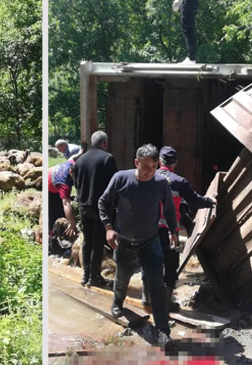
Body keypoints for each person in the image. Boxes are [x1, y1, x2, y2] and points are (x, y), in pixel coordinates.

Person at [98, 144, 177, 347]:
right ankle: (117, 302)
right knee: (122, 277)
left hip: (150, 241)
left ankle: (163, 331)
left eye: (153, 166)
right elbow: (103, 202)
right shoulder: (121, 179)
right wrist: (108, 227)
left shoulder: (160, 182)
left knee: (157, 285)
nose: (148, 171)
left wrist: (173, 230)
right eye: (144, 166)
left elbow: (168, 209)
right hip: (124, 241)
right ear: (136, 163)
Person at [143, 146, 216, 312]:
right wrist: (210, 201)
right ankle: (166, 304)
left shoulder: (148, 176)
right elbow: (194, 200)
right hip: (170, 232)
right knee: (170, 266)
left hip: (148, 229)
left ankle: (147, 300)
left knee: (149, 263)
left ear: (159, 161)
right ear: (175, 162)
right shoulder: (179, 182)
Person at [72, 131, 118, 287]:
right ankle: (95, 277)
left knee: (87, 241)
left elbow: (76, 185)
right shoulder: (107, 158)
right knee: (98, 242)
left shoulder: (79, 161)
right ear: (104, 143)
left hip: (83, 206)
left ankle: (85, 276)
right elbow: (114, 185)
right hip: (100, 207)